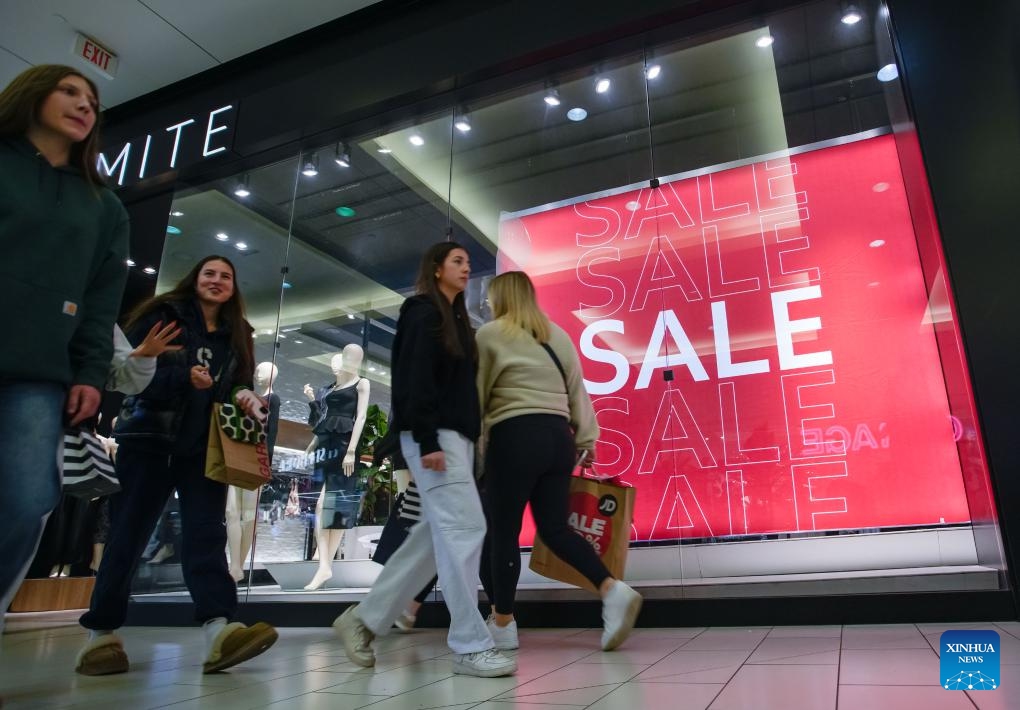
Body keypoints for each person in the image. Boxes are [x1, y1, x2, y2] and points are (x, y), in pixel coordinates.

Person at [75, 255, 278, 676]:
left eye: (226, 276)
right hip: (150, 439)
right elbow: (129, 371)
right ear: (195, 278)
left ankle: (219, 629)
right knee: (128, 533)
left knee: (206, 533)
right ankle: (101, 635)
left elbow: (237, 379)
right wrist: (183, 377)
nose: (217, 281)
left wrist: (245, 395)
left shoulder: (236, 331)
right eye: (210, 273)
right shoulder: (162, 315)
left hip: (204, 445)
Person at [333, 241, 516, 678]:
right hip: (434, 437)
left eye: (468, 263)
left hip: (455, 439)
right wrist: (430, 439)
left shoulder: (455, 320)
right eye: (457, 261)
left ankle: (363, 619)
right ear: (435, 268)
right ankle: (470, 644)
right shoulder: (422, 312)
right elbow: (413, 379)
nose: (466, 268)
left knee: (436, 537)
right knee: (466, 528)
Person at [0, 65, 129, 626]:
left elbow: (102, 302)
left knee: (29, 501)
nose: (84, 105)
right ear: (34, 96)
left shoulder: (104, 207)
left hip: (38, 370)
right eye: (70, 92)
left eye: (93, 101)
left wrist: (89, 373)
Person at [476, 271, 642, 652]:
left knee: (501, 532)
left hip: (514, 436)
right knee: (554, 528)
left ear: (500, 298)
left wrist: (476, 455)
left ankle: (503, 621)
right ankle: (611, 589)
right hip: (558, 439)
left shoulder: (488, 335)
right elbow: (577, 391)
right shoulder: (558, 334)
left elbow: (477, 399)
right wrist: (587, 439)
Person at [302, 344, 370, 590]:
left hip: (344, 447)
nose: (351, 359)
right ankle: (324, 565)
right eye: (348, 355)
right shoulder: (332, 388)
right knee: (323, 505)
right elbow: (324, 418)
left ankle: (324, 566)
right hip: (326, 445)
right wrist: (313, 442)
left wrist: (352, 449)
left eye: (355, 356)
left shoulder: (362, 383)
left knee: (334, 505)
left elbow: (360, 417)